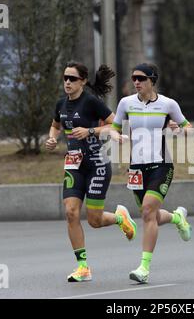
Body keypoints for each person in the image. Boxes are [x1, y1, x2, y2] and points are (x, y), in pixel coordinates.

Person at [45, 61, 137, 282]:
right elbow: (56, 125)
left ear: (83, 81)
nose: (67, 82)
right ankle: (83, 267)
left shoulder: (91, 102)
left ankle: (119, 217)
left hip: (96, 165)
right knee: (71, 213)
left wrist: (90, 131)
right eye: (65, 78)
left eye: (72, 79)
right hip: (74, 165)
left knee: (94, 220)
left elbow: (116, 125)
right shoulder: (61, 104)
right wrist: (52, 138)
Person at [110, 63, 193, 284]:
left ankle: (144, 267)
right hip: (136, 167)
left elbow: (189, 127)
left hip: (161, 165)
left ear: (152, 80)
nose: (136, 82)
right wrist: (115, 136)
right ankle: (177, 217)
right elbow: (114, 127)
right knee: (151, 216)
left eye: (141, 78)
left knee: (148, 211)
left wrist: (180, 129)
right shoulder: (125, 103)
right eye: (134, 78)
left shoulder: (168, 104)